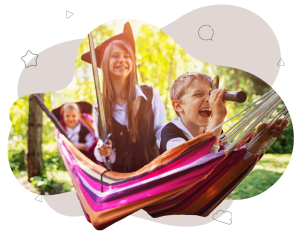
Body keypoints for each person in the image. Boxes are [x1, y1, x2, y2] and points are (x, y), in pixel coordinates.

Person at [81, 22, 166, 173]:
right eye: (115, 56)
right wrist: (101, 151)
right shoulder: (98, 106)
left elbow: (162, 133)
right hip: (121, 181)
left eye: (127, 56)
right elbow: (101, 143)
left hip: (153, 175)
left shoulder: (150, 95)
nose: (122, 60)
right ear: (104, 64)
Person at [160, 72, 287, 158]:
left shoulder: (216, 132)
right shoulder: (170, 133)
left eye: (211, 94)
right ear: (178, 106)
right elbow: (198, 162)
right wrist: (217, 117)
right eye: (198, 94)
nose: (209, 100)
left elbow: (234, 161)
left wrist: (259, 138)